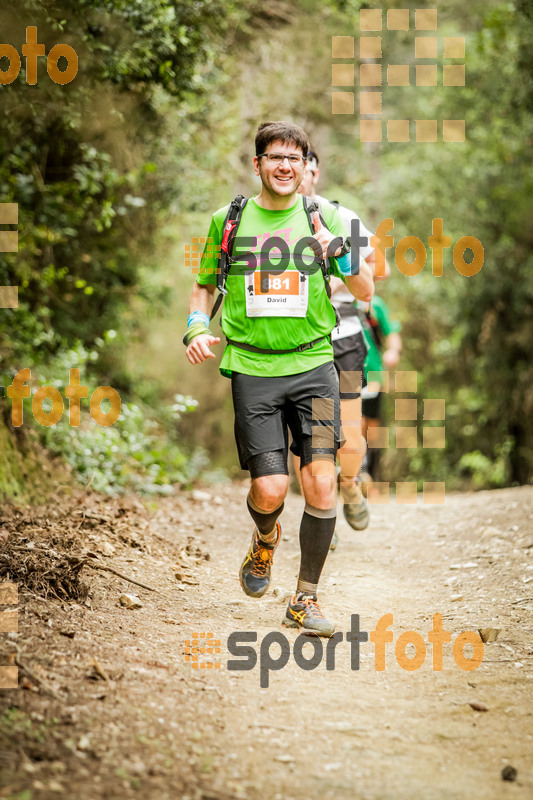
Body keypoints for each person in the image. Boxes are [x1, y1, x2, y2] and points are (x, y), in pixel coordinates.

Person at [184, 121, 373, 636]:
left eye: (294, 157)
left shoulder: (325, 215)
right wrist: (196, 326)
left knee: (322, 479)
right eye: (274, 157)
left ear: (305, 165)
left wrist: (339, 251)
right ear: (258, 164)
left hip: (316, 365)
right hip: (252, 369)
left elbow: (365, 287)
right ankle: (265, 539)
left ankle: (305, 599)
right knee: (270, 489)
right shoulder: (228, 220)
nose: (285, 166)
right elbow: (202, 287)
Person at [294, 150, 390, 541]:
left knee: (350, 441)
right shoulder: (267, 221)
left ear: (314, 172)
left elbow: (378, 267)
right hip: (300, 341)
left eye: (305, 166)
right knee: (312, 438)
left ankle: (349, 482)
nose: (298, 173)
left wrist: (341, 275)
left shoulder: (340, 215)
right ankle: (321, 506)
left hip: (346, 338)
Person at [361, 294, 402, 485]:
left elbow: (392, 332)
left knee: (372, 427)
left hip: (373, 373)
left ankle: (371, 477)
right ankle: (355, 474)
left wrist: (393, 351)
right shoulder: (334, 300)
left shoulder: (375, 304)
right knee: (352, 422)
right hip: (342, 372)